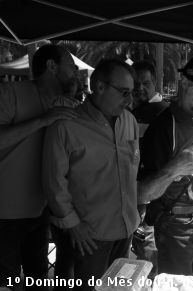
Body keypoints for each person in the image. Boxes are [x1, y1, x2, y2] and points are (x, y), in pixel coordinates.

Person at [42, 59, 139, 290]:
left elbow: (132, 169)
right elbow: (53, 182)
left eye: (131, 93)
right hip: (88, 237)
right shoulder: (65, 126)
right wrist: (73, 224)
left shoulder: (130, 121)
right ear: (100, 87)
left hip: (125, 229)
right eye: (124, 92)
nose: (130, 100)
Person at [138, 54, 193, 278]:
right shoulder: (164, 125)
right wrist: (173, 169)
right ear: (185, 83)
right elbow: (142, 192)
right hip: (175, 224)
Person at [0, 44, 79, 290]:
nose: (76, 72)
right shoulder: (10, 92)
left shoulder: (65, 103)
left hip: (42, 210)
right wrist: (43, 120)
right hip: (5, 213)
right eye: (71, 67)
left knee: (38, 278)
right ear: (51, 66)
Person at [130, 58, 167, 276]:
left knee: (146, 244)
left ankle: (151, 280)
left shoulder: (160, 112)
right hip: (137, 190)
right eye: (136, 84)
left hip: (149, 194)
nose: (140, 89)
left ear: (155, 83)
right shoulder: (135, 111)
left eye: (146, 83)